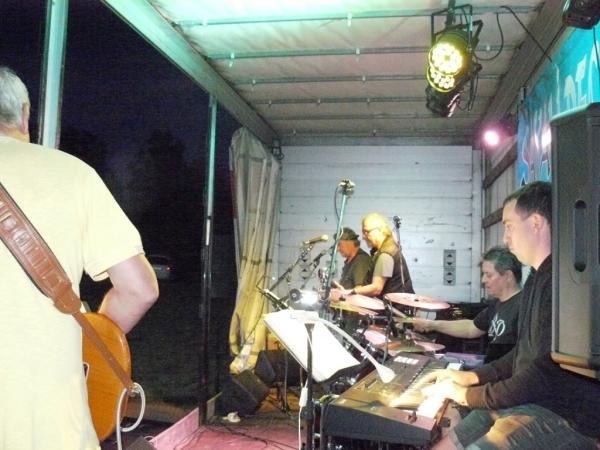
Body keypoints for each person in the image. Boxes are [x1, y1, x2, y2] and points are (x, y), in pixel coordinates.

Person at [0, 66, 159, 449]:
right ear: (25, 114)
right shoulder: (72, 175)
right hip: (52, 427)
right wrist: (89, 342)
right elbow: (139, 289)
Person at [422, 181, 600, 450]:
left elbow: (545, 373)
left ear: (536, 223)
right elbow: (523, 353)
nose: (505, 238)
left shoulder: (564, 282)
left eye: (508, 226)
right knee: (445, 445)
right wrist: (472, 378)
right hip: (530, 400)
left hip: (565, 414)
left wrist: (468, 395)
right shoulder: (536, 277)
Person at [413, 246, 522, 363]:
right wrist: (431, 324)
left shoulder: (523, 306)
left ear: (508, 276)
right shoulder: (497, 304)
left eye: (489, 275)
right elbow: (471, 328)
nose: (483, 280)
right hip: (491, 368)